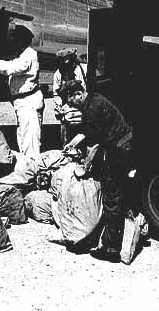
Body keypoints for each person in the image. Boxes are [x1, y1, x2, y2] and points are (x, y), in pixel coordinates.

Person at [64, 79, 133, 263]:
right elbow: (88, 133)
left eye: (71, 101)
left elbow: (94, 145)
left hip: (118, 150)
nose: (71, 105)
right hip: (124, 145)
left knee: (111, 196)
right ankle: (117, 232)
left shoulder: (92, 108)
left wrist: (84, 168)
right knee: (118, 193)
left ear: (78, 94)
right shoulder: (94, 100)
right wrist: (72, 143)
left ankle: (111, 249)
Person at [0, 25, 44, 157]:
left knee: (30, 142)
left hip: (28, 103)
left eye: (15, 39)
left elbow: (7, 68)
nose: (12, 42)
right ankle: (29, 168)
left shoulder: (29, 55)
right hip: (22, 102)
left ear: (22, 41)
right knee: (23, 138)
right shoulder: (22, 55)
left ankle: (34, 171)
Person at [52, 48, 87, 145]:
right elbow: (56, 93)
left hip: (83, 106)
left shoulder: (84, 70)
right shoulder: (58, 74)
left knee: (83, 134)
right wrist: (59, 106)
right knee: (66, 136)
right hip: (67, 107)